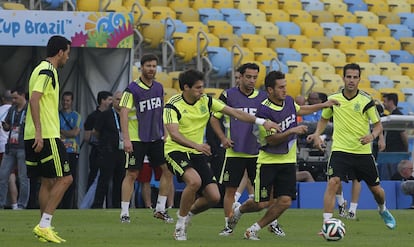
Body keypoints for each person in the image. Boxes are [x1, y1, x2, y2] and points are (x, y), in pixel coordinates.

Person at [163, 69, 280, 241]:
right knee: (194, 181)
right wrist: (197, 145)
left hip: (197, 152)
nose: (201, 91)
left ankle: (188, 215)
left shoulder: (206, 101)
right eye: (198, 88)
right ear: (185, 88)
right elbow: (174, 134)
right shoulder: (172, 104)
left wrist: (263, 121)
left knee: (213, 197)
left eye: (202, 87)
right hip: (175, 150)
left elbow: (235, 113)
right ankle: (180, 226)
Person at [228, 70, 338, 240]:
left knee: (285, 201)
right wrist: (292, 130)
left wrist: (323, 105)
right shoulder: (263, 111)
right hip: (267, 162)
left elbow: (300, 110)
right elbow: (271, 140)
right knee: (261, 203)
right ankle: (238, 211)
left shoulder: (288, 101)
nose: (285, 90)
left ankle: (254, 229)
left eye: (285, 86)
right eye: (281, 87)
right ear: (270, 90)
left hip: (287, 161)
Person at [306, 63, 396, 233]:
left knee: (377, 191)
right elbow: (324, 118)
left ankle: (383, 209)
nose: (352, 80)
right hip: (340, 150)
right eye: (349, 77)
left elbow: (378, 125)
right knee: (333, 182)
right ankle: (327, 224)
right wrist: (317, 134)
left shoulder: (366, 100)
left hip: (362, 153)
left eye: (355, 77)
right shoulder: (334, 99)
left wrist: (372, 136)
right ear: (343, 78)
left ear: (359, 79)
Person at [209, 63, 270, 236]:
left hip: (258, 152)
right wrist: (223, 138)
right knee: (230, 190)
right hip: (234, 151)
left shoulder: (263, 97)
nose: (252, 80)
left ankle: (271, 222)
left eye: (254, 77)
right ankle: (228, 226)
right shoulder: (228, 95)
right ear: (240, 76)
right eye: (248, 77)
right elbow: (214, 119)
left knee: (263, 195)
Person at [24, 35, 73, 243]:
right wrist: (39, 132)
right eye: (67, 53)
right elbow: (34, 98)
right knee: (66, 178)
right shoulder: (47, 70)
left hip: (34, 133)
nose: (68, 58)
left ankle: (43, 228)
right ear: (60, 52)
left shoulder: (37, 68)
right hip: (45, 135)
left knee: (47, 181)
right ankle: (44, 224)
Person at [119, 54, 174, 223]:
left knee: (167, 171)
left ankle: (160, 209)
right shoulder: (132, 89)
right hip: (137, 138)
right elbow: (123, 113)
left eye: (154, 66)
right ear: (141, 67)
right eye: (148, 65)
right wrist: (126, 139)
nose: (151, 69)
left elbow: (162, 111)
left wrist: (165, 133)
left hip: (156, 137)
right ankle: (125, 212)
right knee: (132, 174)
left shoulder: (159, 88)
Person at [92, 91, 125, 208]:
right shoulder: (105, 115)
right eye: (117, 99)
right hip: (108, 152)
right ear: (113, 101)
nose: (119, 102)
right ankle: (97, 205)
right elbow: (95, 132)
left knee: (120, 181)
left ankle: (117, 206)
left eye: (122, 100)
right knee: (104, 181)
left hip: (122, 152)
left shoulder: (126, 115)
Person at [0, 87, 29, 210]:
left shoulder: (29, 109)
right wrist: (5, 126)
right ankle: (1, 203)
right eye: (12, 98)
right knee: (3, 175)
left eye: (16, 98)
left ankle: (22, 204)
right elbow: (8, 127)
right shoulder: (12, 109)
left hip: (23, 147)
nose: (14, 100)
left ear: (23, 95)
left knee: (23, 178)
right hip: (10, 147)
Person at [84, 91, 113, 189]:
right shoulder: (92, 117)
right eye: (109, 99)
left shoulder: (113, 115)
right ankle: (89, 202)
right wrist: (98, 136)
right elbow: (87, 137)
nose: (111, 102)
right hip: (97, 151)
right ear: (102, 101)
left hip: (111, 151)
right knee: (94, 175)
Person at [59, 91, 82, 209]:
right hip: (60, 151)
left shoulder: (76, 116)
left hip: (72, 151)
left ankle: (68, 205)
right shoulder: (56, 114)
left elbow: (75, 133)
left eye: (67, 100)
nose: (65, 103)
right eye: (63, 100)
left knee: (71, 179)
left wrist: (62, 132)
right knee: (59, 178)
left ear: (71, 101)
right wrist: (68, 133)